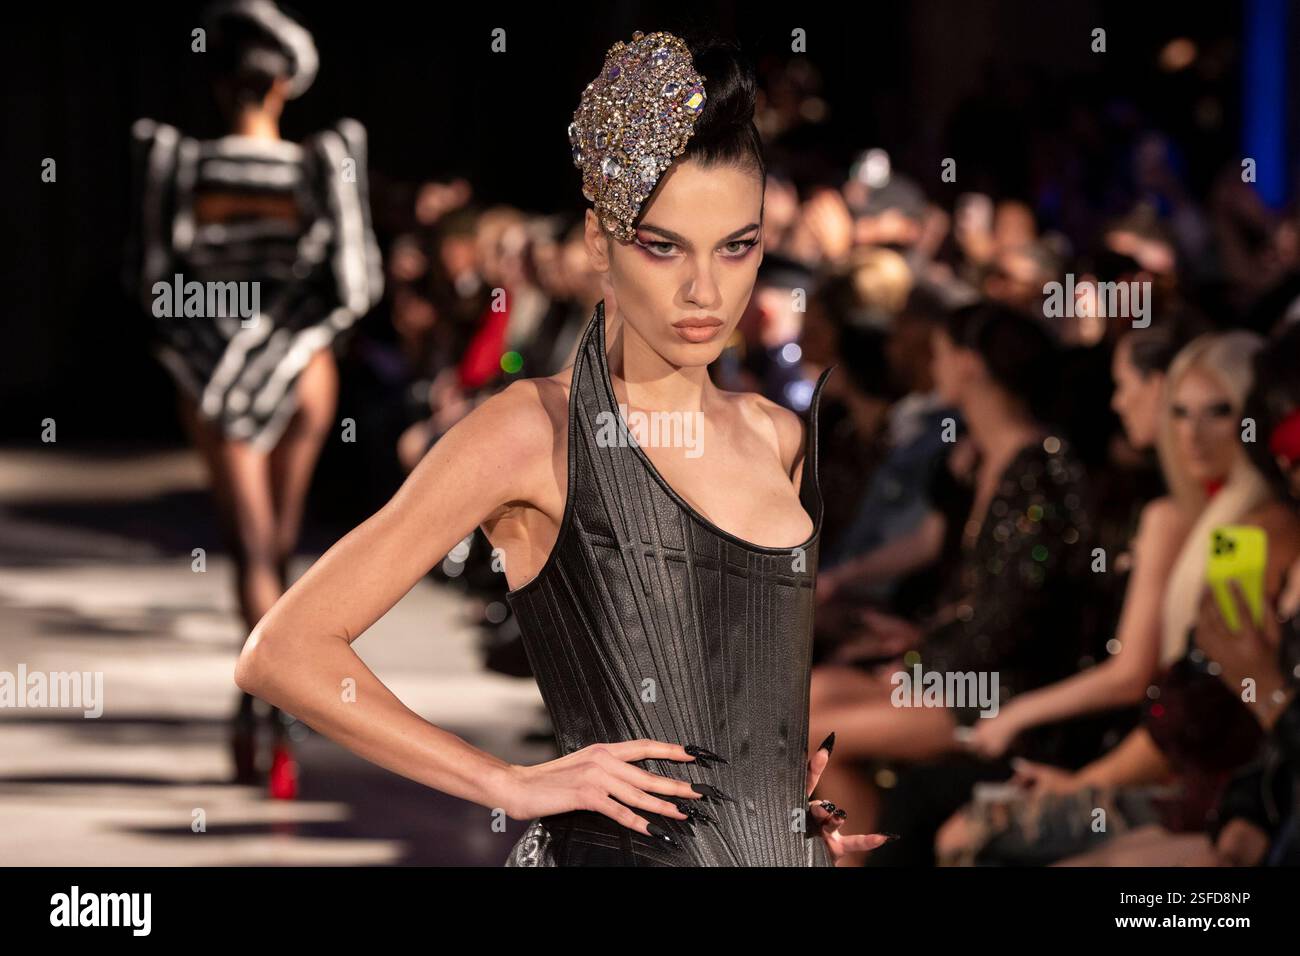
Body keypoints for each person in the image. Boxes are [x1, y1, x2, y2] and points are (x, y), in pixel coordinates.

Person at [234, 29, 890, 865]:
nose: (705, 289)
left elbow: (738, 700)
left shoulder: (781, 435)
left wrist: (777, 810)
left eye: (738, 246)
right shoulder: (530, 431)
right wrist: (509, 782)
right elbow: (284, 651)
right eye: (663, 245)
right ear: (597, 243)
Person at [123, 0, 383, 797]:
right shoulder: (320, 161)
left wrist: (218, 335)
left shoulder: (179, 162)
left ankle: (266, 712)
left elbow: (153, 280)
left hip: (214, 373)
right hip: (304, 367)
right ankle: (271, 710)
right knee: (282, 552)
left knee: (252, 552)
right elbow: (354, 281)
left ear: (221, 85)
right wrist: (283, 328)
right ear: (280, 88)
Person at [805, 301, 1094, 854]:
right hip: (956, 663)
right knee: (807, 698)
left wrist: (921, 668)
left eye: (940, 353)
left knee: (816, 740)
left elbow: (1013, 618)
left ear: (970, 364)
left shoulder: (1040, 471)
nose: (931, 365)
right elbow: (973, 592)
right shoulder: (980, 460)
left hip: (999, 692)